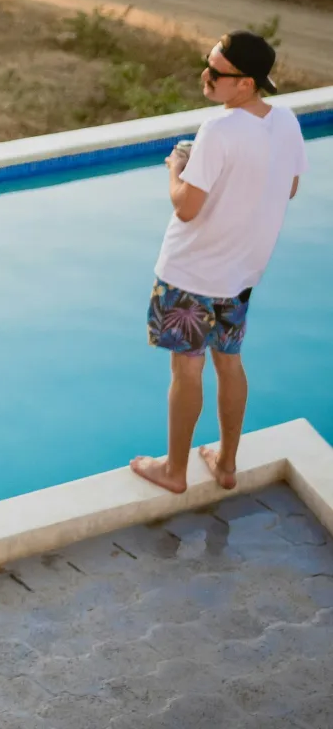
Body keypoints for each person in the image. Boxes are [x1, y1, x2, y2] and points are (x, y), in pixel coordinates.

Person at [131, 31, 307, 495]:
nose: (205, 76)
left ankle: (174, 470)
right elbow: (286, 187)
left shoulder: (218, 131)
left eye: (216, 72)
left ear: (245, 83)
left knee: (186, 369)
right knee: (229, 362)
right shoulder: (286, 121)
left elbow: (186, 207)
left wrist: (177, 168)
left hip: (190, 273)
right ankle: (226, 463)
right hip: (241, 275)